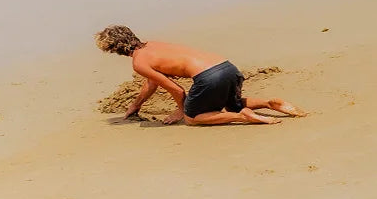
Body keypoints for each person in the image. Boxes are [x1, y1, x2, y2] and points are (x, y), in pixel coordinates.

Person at [95, 25, 305, 125]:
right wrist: (137, 104)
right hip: (227, 67)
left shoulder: (139, 62)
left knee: (193, 118)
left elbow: (176, 89)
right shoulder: (154, 45)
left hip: (209, 77)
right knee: (232, 103)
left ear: (114, 49)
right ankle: (269, 104)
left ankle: (243, 116)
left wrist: (181, 111)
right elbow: (152, 82)